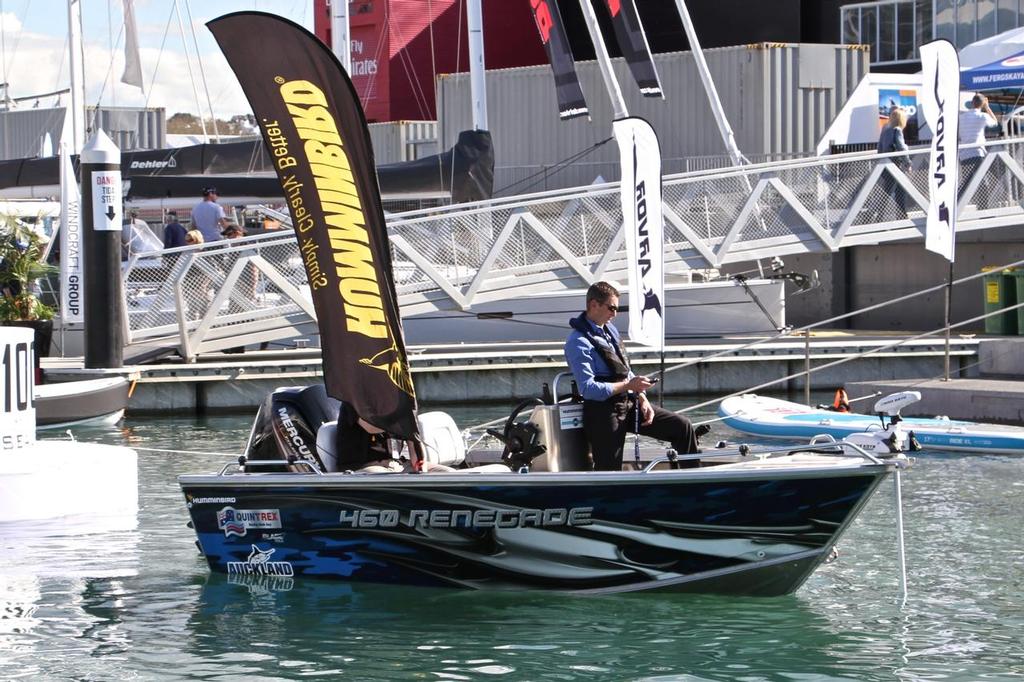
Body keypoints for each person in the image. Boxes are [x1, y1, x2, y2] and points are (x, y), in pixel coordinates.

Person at [564, 281, 700, 471]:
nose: (614, 314)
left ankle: (691, 480)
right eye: (611, 308)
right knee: (609, 468)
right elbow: (588, 389)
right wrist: (629, 386)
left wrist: (641, 397)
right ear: (594, 304)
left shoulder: (608, 329)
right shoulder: (577, 342)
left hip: (628, 401)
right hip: (603, 412)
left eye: (617, 309)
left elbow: (625, 369)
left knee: (682, 427)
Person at [959, 94, 998, 190]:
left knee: (967, 183)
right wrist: (987, 107)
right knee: (982, 181)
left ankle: (959, 201)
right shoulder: (983, 116)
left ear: (972, 103)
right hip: (977, 153)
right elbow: (995, 122)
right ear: (982, 104)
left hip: (963, 154)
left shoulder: (961, 117)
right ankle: (984, 205)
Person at [877, 107, 910, 215]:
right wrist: (908, 163)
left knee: (889, 191)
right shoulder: (898, 130)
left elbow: (880, 147)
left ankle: (880, 217)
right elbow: (901, 147)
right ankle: (900, 216)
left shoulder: (885, 129)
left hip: (885, 165)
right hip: (896, 165)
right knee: (899, 192)